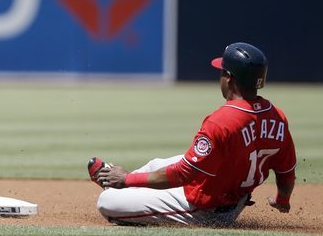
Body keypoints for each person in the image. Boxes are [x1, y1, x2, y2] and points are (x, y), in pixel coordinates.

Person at [88, 42, 296, 226]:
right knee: (155, 164)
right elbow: (286, 171)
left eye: (222, 71)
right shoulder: (277, 117)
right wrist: (282, 200)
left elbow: (183, 174)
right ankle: (117, 183)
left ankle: (117, 187)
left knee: (107, 202)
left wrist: (127, 179)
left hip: (206, 209)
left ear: (229, 78)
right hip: (232, 195)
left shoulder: (221, 121)